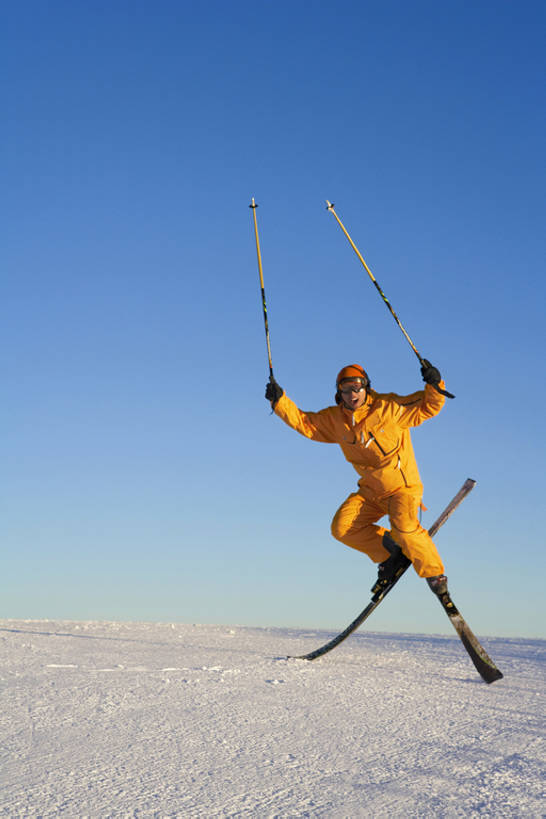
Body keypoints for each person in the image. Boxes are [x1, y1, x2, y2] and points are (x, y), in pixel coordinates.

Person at [265, 361, 450, 595]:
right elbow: (306, 424)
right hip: (371, 491)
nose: (352, 394)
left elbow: (429, 406)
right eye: (346, 389)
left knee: (404, 527)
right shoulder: (335, 420)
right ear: (339, 392)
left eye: (357, 388)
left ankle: (435, 575)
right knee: (342, 528)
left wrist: (434, 383)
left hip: (402, 488)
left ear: (366, 388)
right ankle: (389, 554)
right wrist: (279, 401)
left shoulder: (389, 407)